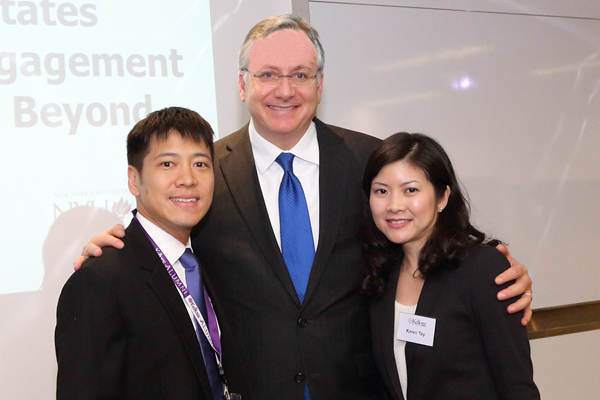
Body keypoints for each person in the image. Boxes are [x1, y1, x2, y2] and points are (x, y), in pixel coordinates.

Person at [73, 15, 533, 400]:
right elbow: (164, 235)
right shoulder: (204, 170)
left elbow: (423, 237)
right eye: (268, 74)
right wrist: (117, 253)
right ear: (242, 84)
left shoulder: (369, 163)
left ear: (320, 83)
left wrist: (495, 270)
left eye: (300, 74)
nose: (285, 90)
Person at [56, 107, 245, 400]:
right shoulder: (101, 280)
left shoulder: (215, 261)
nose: (187, 179)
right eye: (168, 164)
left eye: (200, 164)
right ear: (134, 180)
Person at [363, 132, 540, 400]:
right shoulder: (380, 274)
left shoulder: (481, 268)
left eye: (410, 190)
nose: (394, 205)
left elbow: (516, 385)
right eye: (381, 191)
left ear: (443, 197)